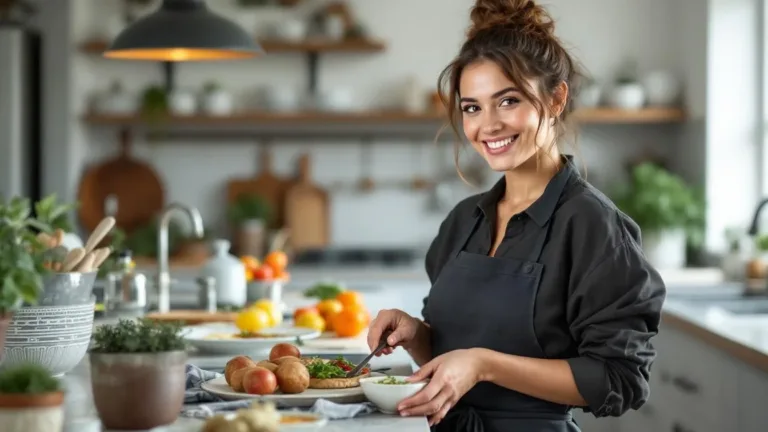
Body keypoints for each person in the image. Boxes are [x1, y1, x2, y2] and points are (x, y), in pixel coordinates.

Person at [366, 1, 667, 431]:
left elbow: (619, 379)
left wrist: (486, 365)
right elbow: (455, 360)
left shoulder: (593, 226)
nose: (487, 125)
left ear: (556, 98)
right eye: (472, 107)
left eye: (507, 101)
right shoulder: (463, 221)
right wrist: (416, 335)